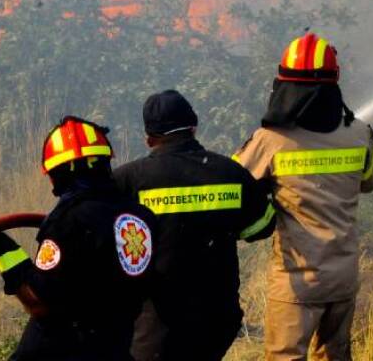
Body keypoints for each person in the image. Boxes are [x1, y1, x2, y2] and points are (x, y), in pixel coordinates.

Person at [233, 32, 373, 361]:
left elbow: (232, 183)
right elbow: (369, 182)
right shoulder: (360, 134)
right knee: (335, 356)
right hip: (343, 277)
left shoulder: (270, 140)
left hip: (297, 282)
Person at [0, 116, 157, 360]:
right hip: (115, 349)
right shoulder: (141, 218)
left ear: (59, 173)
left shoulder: (68, 221)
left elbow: (39, 302)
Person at [114, 89, 275, 361]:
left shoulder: (126, 180)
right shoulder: (229, 172)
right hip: (217, 317)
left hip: (156, 323)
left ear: (149, 138)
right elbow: (261, 228)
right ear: (193, 127)